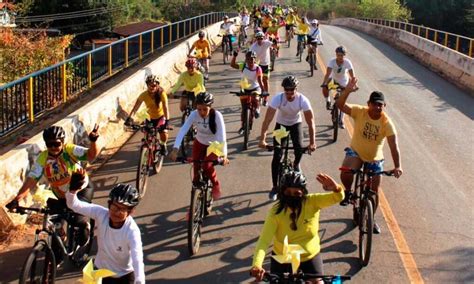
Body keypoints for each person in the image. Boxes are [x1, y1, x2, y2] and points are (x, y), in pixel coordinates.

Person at [6, 125, 99, 264]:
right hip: (61, 195)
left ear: (62, 142)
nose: (53, 147)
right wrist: (17, 198)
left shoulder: (69, 150)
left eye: (56, 144)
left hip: (81, 189)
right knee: (53, 226)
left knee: (78, 221)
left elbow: (91, 155)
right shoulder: (43, 158)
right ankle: (57, 256)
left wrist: (93, 142)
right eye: (50, 144)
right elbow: (32, 179)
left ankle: (84, 228)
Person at [250, 171, 345, 282]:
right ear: (282, 192)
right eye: (288, 192)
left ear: (303, 193)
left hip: (309, 256)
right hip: (283, 258)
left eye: (297, 193)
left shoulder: (312, 202)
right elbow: (264, 241)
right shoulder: (275, 212)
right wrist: (257, 265)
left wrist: (336, 188)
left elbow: (338, 197)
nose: (292, 196)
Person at [336, 77, 403, 234]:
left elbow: (394, 147)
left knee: (373, 191)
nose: (378, 107)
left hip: (375, 158)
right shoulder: (360, 112)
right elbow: (340, 105)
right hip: (357, 152)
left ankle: (370, 218)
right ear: (369, 104)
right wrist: (347, 91)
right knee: (346, 170)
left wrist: (398, 166)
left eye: (381, 105)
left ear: (384, 106)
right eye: (375, 104)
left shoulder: (387, 123)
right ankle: (348, 192)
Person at [66, 171, 145, 284]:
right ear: (109, 205)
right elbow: (74, 205)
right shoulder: (101, 214)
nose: (116, 212)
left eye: (122, 209)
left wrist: (140, 280)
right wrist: (72, 191)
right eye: (114, 207)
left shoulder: (132, 231)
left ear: (130, 212)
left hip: (124, 276)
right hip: (100, 273)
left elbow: (137, 258)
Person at [259, 76, 316, 200]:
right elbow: (267, 120)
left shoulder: (303, 100)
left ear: (296, 89)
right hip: (281, 126)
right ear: (284, 90)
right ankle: (274, 187)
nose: (289, 94)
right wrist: (262, 139)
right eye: (287, 91)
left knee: (299, 148)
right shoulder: (277, 99)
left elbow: (311, 122)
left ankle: (296, 165)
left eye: (292, 90)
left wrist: (312, 142)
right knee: (277, 154)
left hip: (296, 124)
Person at [169, 92, 229, 200]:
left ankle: (216, 184)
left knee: (206, 165)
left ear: (210, 107)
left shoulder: (217, 116)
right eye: (199, 109)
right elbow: (183, 130)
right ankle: (194, 206)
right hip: (200, 142)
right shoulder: (194, 114)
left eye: (205, 109)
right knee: (196, 171)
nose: (201, 112)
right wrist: (175, 149)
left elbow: (222, 136)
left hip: (215, 144)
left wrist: (224, 155)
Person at [126, 74, 170, 155]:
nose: (152, 87)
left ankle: (163, 145)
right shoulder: (144, 95)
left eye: (154, 85)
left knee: (163, 133)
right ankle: (147, 148)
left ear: (157, 85)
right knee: (146, 131)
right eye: (150, 85)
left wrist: (167, 121)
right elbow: (135, 108)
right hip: (150, 117)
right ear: (147, 85)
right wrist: (129, 118)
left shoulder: (161, 94)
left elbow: (165, 107)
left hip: (161, 116)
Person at [320, 46, 356, 129]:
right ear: (336, 54)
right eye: (338, 55)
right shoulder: (332, 62)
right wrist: (324, 83)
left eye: (342, 55)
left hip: (344, 82)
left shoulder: (347, 63)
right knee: (325, 87)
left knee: (343, 100)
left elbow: (352, 76)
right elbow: (327, 74)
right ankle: (328, 101)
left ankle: (341, 119)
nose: (340, 57)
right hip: (334, 81)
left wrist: (354, 85)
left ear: (344, 55)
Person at [230, 50, 265, 135]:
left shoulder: (258, 68)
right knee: (244, 109)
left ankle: (257, 109)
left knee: (255, 98)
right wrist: (234, 56)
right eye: (248, 59)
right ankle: (243, 126)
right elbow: (232, 65)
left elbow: (260, 81)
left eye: (252, 59)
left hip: (255, 87)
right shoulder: (243, 66)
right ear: (246, 59)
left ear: (255, 59)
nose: (250, 61)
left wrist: (263, 91)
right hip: (244, 88)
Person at [249, 31, 272, 104]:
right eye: (258, 39)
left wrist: (274, 43)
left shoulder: (266, 43)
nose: (260, 40)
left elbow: (273, 44)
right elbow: (249, 55)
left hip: (265, 64)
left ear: (263, 38)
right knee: (255, 80)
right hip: (257, 65)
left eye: (261, 38)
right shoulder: (253, 46)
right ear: (256, 39)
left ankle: (265, 98)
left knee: (265, 80)